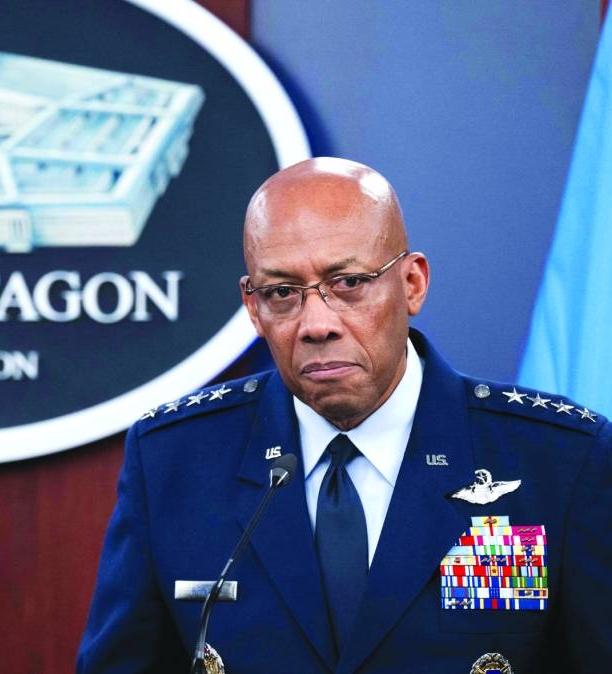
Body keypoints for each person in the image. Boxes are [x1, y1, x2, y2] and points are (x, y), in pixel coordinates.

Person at [77, 157, 612, 673]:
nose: (317, 323)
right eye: (283, 292)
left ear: (412, 284)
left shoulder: (559, 460)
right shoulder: (174, 459)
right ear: (253, 307)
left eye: (348, 283)